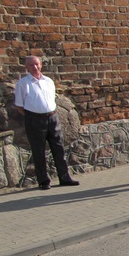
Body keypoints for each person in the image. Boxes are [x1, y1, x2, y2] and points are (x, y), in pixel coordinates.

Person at [14, 56, 80, 190]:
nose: (35, 67)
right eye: (31, 65)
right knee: (38, 150)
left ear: (41, 65)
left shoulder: (48, 81)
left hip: (52, 117)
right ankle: (43, 180)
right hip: (34, 119)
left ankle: (64, 177)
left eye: (37, 64)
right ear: (27, 67)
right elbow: (19, 106)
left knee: (59, 148)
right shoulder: (23, 84)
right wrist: (34, 115)